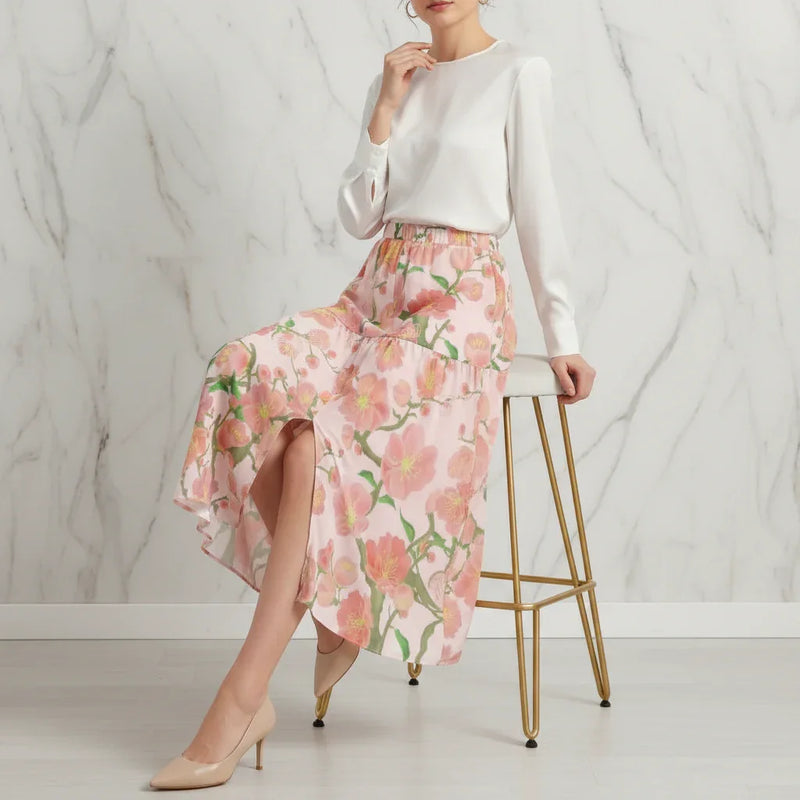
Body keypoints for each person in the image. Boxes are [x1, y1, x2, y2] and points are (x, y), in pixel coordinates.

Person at [149, 0, 596, 790]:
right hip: (379, 286)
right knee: (245, 370)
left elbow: (538, 205)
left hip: (461, 303)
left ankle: (241, 699)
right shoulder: (398, 74)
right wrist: (384, 112)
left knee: (316, 446)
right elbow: (360, 214)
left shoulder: (521, 72)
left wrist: (563, 334)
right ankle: (330, 595)